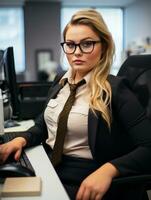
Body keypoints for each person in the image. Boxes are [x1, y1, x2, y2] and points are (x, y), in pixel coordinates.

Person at [0, 9, 151, 200]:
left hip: (85, 179)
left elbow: (148, 147)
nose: (77, 52)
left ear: (103, 46)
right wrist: (21, 139)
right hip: (50, 165)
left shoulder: (116, 90)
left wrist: (109, 170)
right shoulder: (60, 81)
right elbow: (44, 123)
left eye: (87, 44)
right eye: (70, 45)